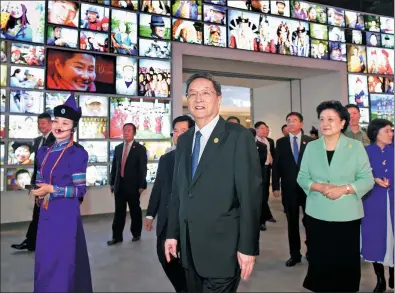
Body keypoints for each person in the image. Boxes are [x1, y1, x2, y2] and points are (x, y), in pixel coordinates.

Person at [165, 73, 262, 292]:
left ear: (218, 99)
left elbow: (250, 196)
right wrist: (172, 233)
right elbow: (178, 191)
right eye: (192, 94)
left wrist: (248, 247)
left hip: (223, 249)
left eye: (205, 93)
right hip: (189, 249)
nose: (198, 99)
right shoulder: (185, 140)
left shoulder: (238, 136)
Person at [297, 100, 374, 292]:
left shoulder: (356, 147)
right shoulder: (311, 147)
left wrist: (345, 189)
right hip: (317, 214)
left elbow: (367, 180)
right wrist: (317, 186)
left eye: (331, 119)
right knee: (319, 259)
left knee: (344, 261)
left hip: (346, 215)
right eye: (322, 119)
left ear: (342, 123)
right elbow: (302, 177)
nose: (325, 123)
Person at [31, 94, 92, 292]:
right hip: (47, 213)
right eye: (56, 121)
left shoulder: (77, 153)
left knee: (63, 260)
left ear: (72, 128)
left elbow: (79, 189)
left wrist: (53, 190)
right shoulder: (44, 152)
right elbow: (41, 176)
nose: (58, 126)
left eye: (65, 123)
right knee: (45, 258)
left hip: (65, 214)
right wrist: (39, 189)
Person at [144, 115, 194, 293]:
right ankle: (183, 288)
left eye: (184, 131)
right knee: (164, 255)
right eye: (176, 131)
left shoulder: (200, 159)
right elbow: (159, 187)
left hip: (191, 220)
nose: (179, 135)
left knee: (192, 261)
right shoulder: (166, 159)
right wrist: (150, 214)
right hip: (168, 218)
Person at [272, 112, 313, 267]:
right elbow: (276, 165)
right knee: (292, 223)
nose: (290, 123)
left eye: (294, 121)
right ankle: (294, 254)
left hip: (308, 189)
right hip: (289, 189)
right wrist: (275, 186)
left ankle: (311, 251)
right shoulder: (281, 142)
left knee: (310, 221)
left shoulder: (310, 142)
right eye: (288, 121)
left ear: (301, 124)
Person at [11, 113, 55, 252]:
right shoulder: (38, 141)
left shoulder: (56, 140)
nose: (41, 126)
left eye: (43, 123)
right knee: (37, 213)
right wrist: (34, 183)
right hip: (39, 182)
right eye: (39, 123)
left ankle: (42, 243)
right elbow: (37, 166)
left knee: (47, 214)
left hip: (49, 184)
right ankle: (31, 242)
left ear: (50, 124)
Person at [361, 119, 394, 292]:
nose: (391, 134)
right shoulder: (364, 152)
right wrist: (373, 179)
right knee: (375, 240)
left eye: (391, 130)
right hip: (373, 203)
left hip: (393, 202)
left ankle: (393, 276)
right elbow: (358, 175)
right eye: (387, 131)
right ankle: (380, 279)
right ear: (376, 133)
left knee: (393, 239)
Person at [108, 123, 147, 245]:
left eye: (129, 130)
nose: (126, 132)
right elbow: (114, 166)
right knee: (119, 212)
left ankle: (136, 233)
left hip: (134, 187)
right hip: (119, 185)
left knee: (135, 211)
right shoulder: (118, 148)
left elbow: (142, 168)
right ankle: (117, 237)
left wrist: (141, 185)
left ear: (134, 133)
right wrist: (112, 183)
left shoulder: (140, 149)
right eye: (124, 130)